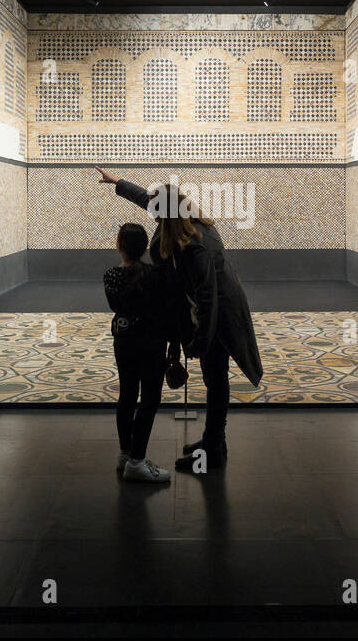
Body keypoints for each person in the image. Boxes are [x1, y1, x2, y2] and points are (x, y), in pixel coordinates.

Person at [96, 168, 263, 473]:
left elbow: (208, 298)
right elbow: (149, 200)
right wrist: (118, 183)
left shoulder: (196, 244)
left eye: (157, 213)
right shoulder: (187, 223)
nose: (153, 215)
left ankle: (212, 449)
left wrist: (200, 339)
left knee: (216, 378)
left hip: (220, 319)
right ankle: (213, 441)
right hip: (210, 312)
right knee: (216, 379)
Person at [103, 222, 175, 483]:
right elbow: (165, 312)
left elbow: (118, 305)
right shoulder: (155, 275)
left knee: (127, 395)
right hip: (151, 343)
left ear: (119, 246)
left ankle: (125, 454)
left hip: (123, 341)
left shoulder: (110, 276)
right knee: (150, 399)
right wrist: (174, 345)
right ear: (145, 247)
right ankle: (137, 460)